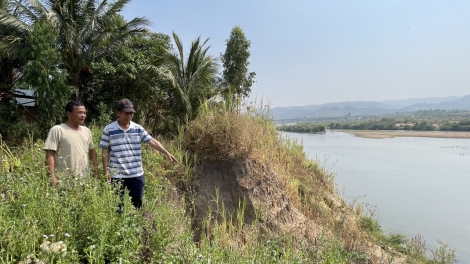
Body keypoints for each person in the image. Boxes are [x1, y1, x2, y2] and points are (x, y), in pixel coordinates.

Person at [99, 98, 178, 209]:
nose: (129, 115)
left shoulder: (137, 128)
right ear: (118, 113)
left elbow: (152, 141)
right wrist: (106, 170)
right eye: (126, 113)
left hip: (136, 173)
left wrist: (167, 153)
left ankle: (137, 224)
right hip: (116, 174)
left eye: (131, 113)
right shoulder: (109, 129)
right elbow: (105, 150)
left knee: (137, 204)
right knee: (117, 206)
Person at [44, 101, 99, 186]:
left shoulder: (86, 131)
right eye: (79, 113)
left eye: (84, 113)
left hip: (85, 180)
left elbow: (92, 152)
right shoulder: (57, 130)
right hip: (63, 181)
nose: (83, 115)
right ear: (69, 114)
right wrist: (52, 176)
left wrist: (95, 171)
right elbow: (50, 154)